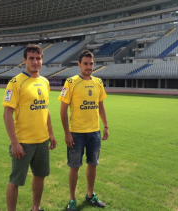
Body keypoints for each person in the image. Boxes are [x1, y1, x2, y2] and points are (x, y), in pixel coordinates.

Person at [2, 44, 56, 211]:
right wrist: (15, 143)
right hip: (23, 142)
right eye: (31, 58)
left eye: (38, 58)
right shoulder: (15, 82)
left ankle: (36, 208)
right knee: (15, 181)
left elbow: (45, 109)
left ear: (42, 60)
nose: (35, 62)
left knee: (40, 176)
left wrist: (51, 134)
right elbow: (7, 114)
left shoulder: (45, 82)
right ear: (24, 60)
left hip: (42, 141)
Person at [58, 50, 109, 211]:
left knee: (93, 164)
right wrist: (67, 133)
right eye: (85, 63)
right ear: (79, 64)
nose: (88, 66)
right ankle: (72, 199)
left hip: (94, 132)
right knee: (74, 166)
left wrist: (105, 126)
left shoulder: (98, 82)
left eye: (91, 63)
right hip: (76, 133)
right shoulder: (71, 82)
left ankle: (90, 195)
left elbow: (100, 106)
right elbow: (62, 110)